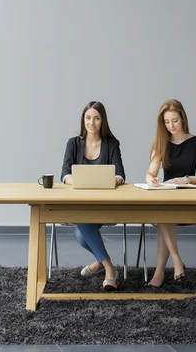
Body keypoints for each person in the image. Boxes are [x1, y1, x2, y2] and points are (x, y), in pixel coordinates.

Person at [146, 98, 196, 287]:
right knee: (164, 213)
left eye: (174, 120)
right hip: (168, 199)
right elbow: (151, 170)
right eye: (167, 122)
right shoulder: (162, 143)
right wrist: (149, 177)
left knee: (163, 215)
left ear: (182, 118)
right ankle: (175, 262)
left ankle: (162, 271)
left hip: (189, 198)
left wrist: (188, 179)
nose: (171, 126)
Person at [61, 100, 125, 291]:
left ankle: (101, 263)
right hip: (79, 203)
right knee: (81, 235)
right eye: (88, 118)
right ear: (83, 119)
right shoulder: (73, 143)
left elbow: (120, 174)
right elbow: (64, 174)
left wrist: (113, 180)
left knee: (82, 234)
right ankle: (109, 267)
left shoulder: (111, 144)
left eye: (96, 118)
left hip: (105, 204)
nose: (92, 123)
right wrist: (79, 181)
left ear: (102, 121)